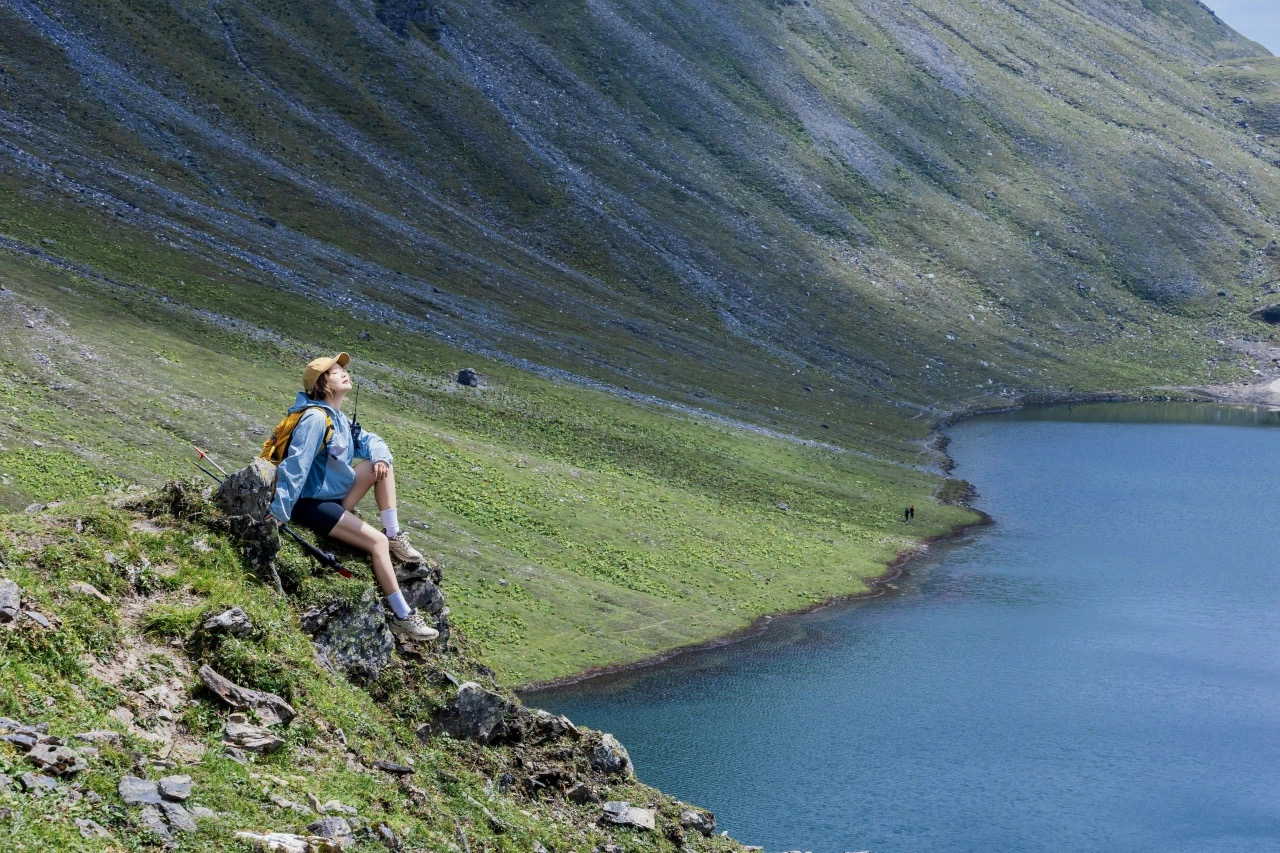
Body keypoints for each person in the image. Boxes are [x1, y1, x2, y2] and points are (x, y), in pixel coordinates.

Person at [268, 352, 438, 641]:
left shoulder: (339, 419)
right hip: (311, 505)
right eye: (335, 371)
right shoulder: (315, 418)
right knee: (376, 543)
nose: (344, 373)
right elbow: (296, 466)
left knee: (379, 465)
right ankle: (403, 616)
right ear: (322, 384)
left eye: (342, 369)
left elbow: (373, 441)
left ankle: (394, 533)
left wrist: (380, 457)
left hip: (333, 497)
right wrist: (279, 512)